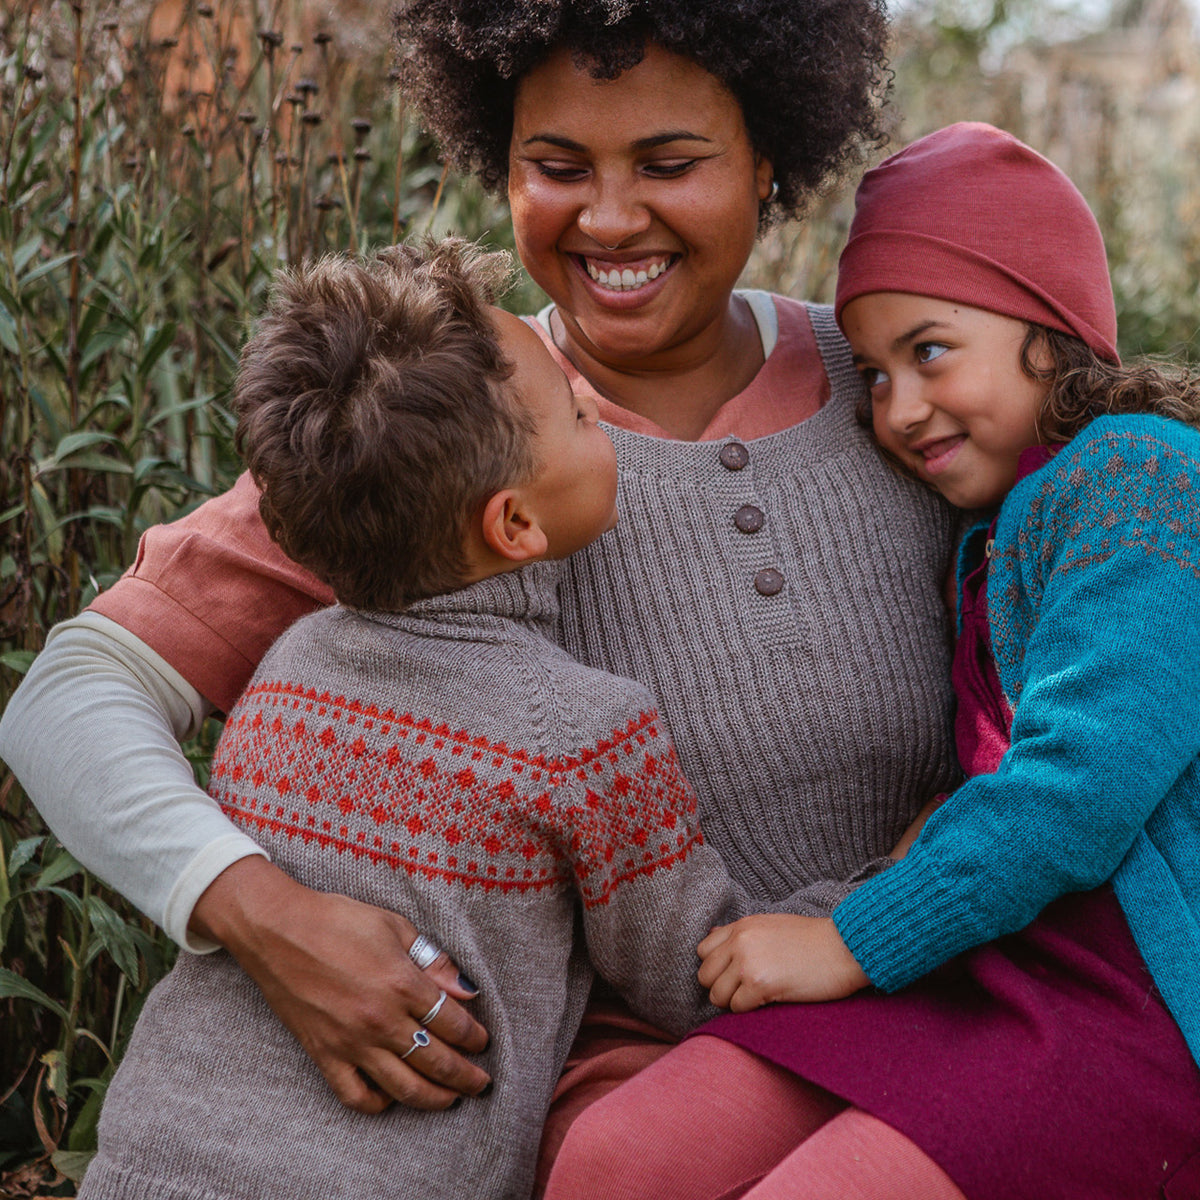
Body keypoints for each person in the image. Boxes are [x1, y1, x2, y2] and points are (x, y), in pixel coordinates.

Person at [0, 0, 962, 1188]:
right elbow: (71, 694)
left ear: (770, 158)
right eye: (555, 166)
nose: (610, 217)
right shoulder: (429, 442)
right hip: (638, 1106)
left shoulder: (911, 390)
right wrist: (260, 915)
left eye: (670, 162)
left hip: (937, 1010)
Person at [543, 123, 1200, 1200]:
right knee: (618, 1161)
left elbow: (1077, 789)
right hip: (985, 949)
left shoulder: (1144, 479)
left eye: (930, 351)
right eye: (876, 377)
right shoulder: (994, 524)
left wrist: (854, 935)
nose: (897, 411)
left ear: (1053, 322)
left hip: (1128, 989)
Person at [79, 238, 755, 1200]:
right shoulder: (585, 731)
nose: (598, 406)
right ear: (515, 525)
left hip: (148, 1163)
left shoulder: (288, 664)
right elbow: (693, 975)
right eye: (575, 413)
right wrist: (857, 905)